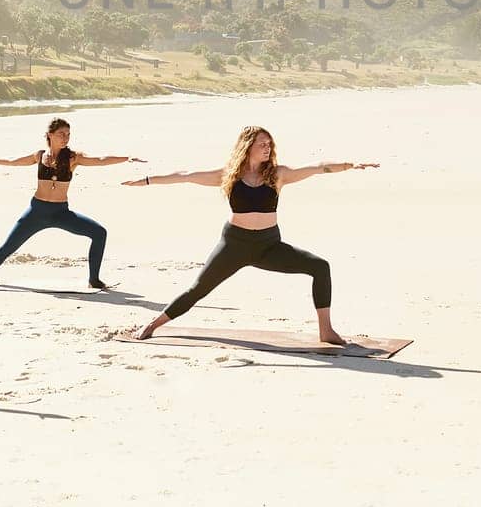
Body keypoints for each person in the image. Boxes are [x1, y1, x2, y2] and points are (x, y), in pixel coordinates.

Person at [126, 125, 378, 344]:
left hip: (269, 245)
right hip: (234, 245)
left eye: (270, 144)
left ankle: (326, 330)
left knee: (320, 267)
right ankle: (153, 325)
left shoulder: (278, 174)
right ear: (248, 146)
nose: (267, 148)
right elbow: (184, 176)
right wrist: (147, 180)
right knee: (199, 289)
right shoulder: (228, 176)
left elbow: (317, 167)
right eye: (262, 144)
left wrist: (349, 165)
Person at [0, 117, 144, 289]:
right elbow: (15, 162)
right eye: (61, 134)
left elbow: (101, 160)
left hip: (61, 213)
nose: (65, 138)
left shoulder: (74, 158)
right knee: (7, 247)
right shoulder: (39, 156)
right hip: (36, 212)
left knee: (99, 233)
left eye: (68, 134)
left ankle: (94, 280)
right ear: (50, 135)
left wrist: (126, 158)